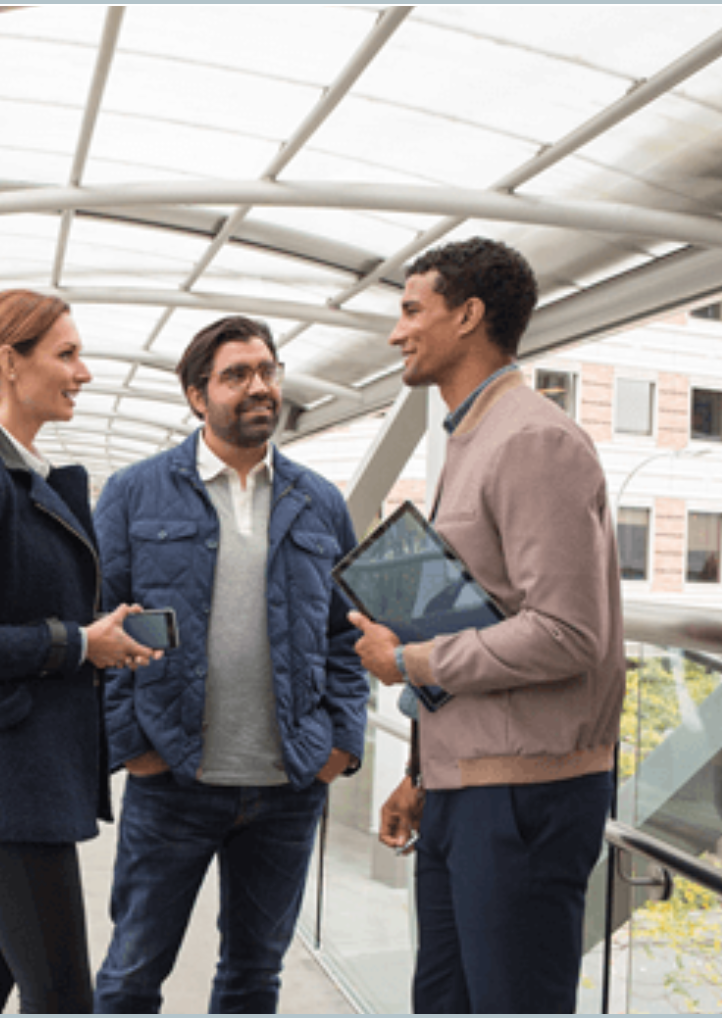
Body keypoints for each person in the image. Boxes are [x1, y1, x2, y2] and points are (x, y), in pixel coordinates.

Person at [349, 237, 626, 1013]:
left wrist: (409, 661)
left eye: (411, 310)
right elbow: (494, 607)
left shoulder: (533, 440)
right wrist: (420, 777)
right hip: (465, 790)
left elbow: (569, 635)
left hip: (523, 802)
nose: (396, 332)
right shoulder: (470, 437)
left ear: (468, 315)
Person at [91, 315, 368, 1014]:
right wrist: (134, 747)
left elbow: (348, 634)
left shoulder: (320, 501)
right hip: (173, 778)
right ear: (196, 395)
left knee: (252, 981)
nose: (260, 387)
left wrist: (340, 744)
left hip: (288, 784)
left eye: (268, 371)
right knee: (130, 977)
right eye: (237, 374)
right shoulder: (133, 493)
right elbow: (99, 625)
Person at [0, 289, 162, 1014]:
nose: (84, 373)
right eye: (67, 354)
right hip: (4, 774)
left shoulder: (13, 470)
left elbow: (14, 614)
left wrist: (100, 635)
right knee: (61, 997)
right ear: (9, 363)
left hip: (18, 767)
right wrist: (83, 644)